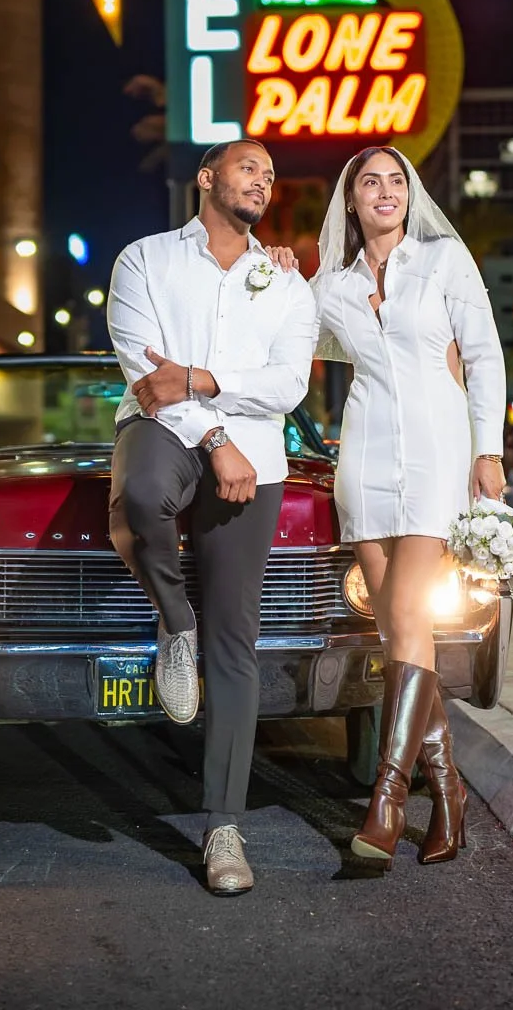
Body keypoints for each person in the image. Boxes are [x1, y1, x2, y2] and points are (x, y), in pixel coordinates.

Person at [105, 139, 315, 896]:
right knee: (140, 495)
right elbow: (142, 368)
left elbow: (287, 384)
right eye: (245, 166)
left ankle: (223, 827)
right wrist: (217, 434)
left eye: (267, 171)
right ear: (206, 179)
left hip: (254, 458)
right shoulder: (145, 259)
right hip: (163, 434)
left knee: (237, 640)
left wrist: (201, 380)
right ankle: (173, 621)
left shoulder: (287, 282)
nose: (260, 178)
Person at [308, 144, 507, 868]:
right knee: (396, 628)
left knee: (404, 614)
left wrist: (487, 447)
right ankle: (447, 793)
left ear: (408, 194)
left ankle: (387, 802)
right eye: (370, 182)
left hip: (437, 451)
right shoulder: (328, 287)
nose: (385, 191)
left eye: (396, 180)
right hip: (362, 456)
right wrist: (265, 276)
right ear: (351, 201)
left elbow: (482, 353)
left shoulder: (443, 261)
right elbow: (280, 340)